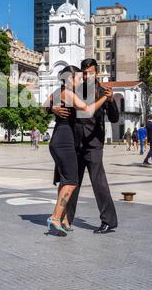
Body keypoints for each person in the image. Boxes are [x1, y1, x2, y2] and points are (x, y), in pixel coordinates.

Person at [50, 58, 119, 234]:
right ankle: (65, 219)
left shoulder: (104, 91)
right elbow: (54, 98)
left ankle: (108, 221)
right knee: (72, 181)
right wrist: (53, 108)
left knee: (98, 182)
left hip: (94, 143)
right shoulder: (74, 88)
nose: (88, 75)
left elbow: (114, 118)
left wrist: (110, 101)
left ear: (96, 72)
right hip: (74, 143)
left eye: (91, 72)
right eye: (85, 72)